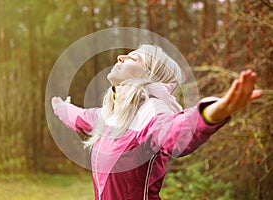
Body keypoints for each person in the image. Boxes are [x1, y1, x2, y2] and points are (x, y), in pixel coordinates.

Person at [51, 44, 262, 200]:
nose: (121, 56)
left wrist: (213, 112)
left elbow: (175, 132)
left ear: (149, 75)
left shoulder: (152, 111)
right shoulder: (111, 114)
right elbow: (79, 117)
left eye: (134, 58)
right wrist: (61, 107)